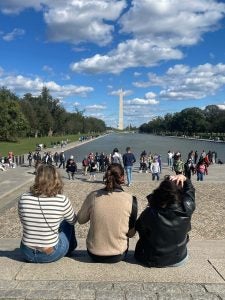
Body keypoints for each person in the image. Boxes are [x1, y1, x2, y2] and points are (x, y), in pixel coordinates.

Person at [77, 163, 137, 263]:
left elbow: (80, 220)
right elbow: (131, 234)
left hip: (93, 253)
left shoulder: (93, 196)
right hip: (118, 254)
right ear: (122, 177)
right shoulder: (130, 200)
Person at [18, 164, 77, 263]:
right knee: (67, 223)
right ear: (56, 179)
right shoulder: (61, 200)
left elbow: (23, 220)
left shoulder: (24, 197)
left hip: (26, 252)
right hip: (50, 254)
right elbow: (73, 221)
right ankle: (69, 250)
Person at [134, 174, 195, 268]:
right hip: (179, 258)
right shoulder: (187, 207)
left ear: (160, 192)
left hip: (153, 259)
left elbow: (138, 227)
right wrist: (184, 178)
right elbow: (190, 191)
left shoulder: (151, 213)